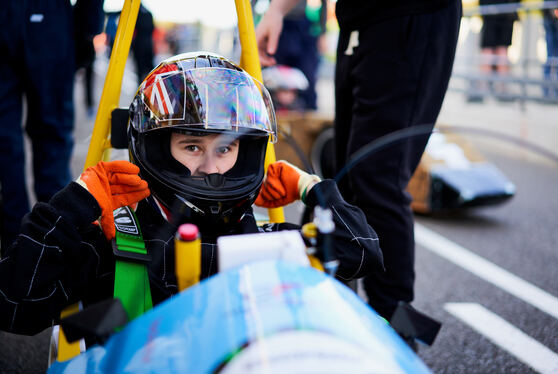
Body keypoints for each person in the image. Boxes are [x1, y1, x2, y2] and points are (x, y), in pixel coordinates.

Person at [0, 52, 383, 335]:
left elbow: (362, 250)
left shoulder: (268, 239)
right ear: (154, 148)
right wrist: (73, 205)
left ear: (246, 154)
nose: (212, 168)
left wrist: (312, 188)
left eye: (226, 149)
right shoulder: (118, 240)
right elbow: (15, 305)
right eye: (193, 147)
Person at [257, 0, 461, 321]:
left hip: (410, 13)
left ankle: (395, 323)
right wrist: (277, 11)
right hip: (360, 20)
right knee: (346, 176)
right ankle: (331, 306)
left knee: (377, 176)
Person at [0, 0, 102, 255]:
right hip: (47, 16)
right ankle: (54, 245)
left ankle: (15, 248)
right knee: (51, 139)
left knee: (5, 141)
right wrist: (87, 28)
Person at [543, 1, 558, 100]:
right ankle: (549, 90)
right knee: (552, 56)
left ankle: (550, 90)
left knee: (552, 56)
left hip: (549, 16)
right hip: (550, 17)